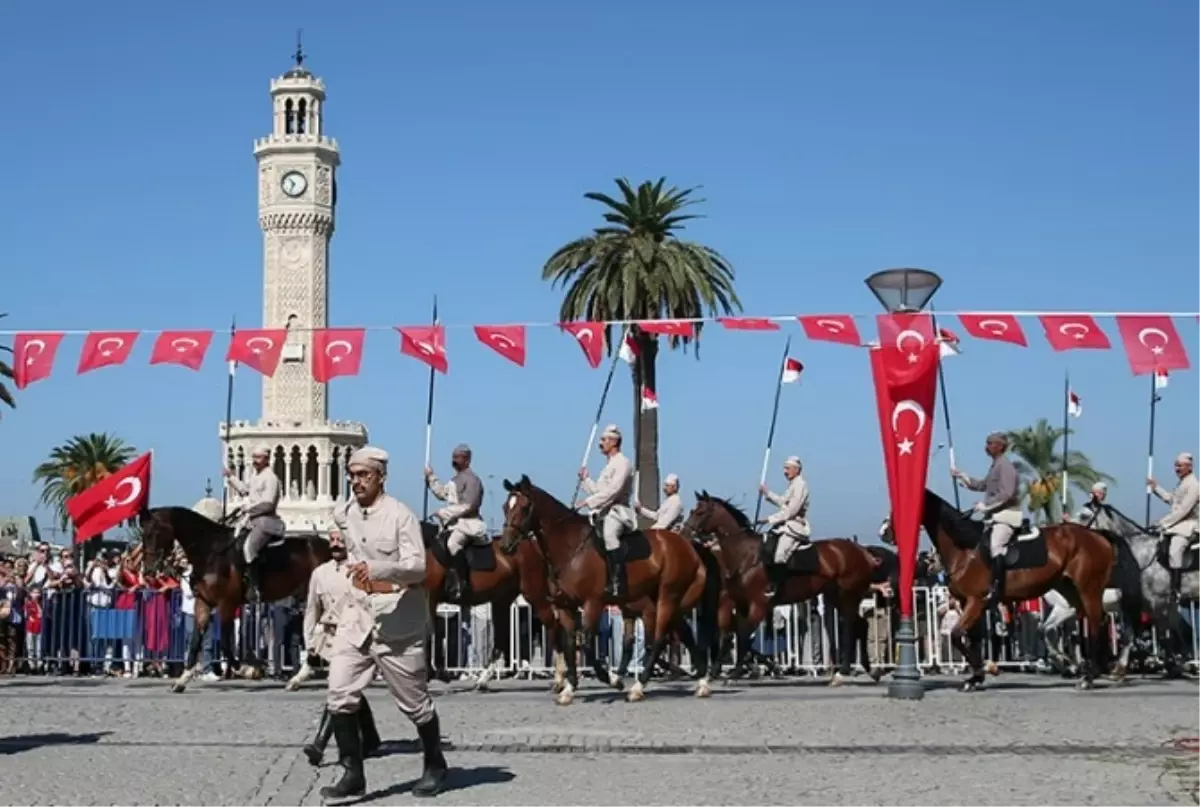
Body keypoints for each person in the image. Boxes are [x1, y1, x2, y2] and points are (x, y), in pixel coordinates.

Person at [322, 446, 448, 803]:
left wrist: (377, 569)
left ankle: (435, 763)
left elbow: (418, 567)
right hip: (358, 613)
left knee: (415, 704)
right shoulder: (345, 512)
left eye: (363, 474)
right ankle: (352, 773)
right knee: (339, 692)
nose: (356, 480)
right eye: (352, 474)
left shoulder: (400, 516)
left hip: (397, 617)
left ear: (381, 477)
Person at [298, 529, 381, 767]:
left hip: (356, 636)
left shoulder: (361, 568)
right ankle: (372, 737)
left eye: (340, 540)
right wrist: (310, 643)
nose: (335, 545)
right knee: (348, 688)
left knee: (339, 688)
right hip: (331, 637)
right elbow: (312, 609)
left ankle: (319, 743)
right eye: (332, 540)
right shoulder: (320, 573)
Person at [952, 431, 1022, 605]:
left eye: (990, 443)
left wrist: (986, 506)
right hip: (994, 516)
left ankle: (997, 586)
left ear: (1000, 446)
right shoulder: (995, 466)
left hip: (1006, 515)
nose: (987, 446)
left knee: (996, 545)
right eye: (987, 443)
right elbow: (983, 485)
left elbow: (1007, 493)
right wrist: (963, 476)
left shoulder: (1005, 465)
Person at [578, 424, 636, 598]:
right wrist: (586, 479)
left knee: (610, 534)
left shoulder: (623, 463)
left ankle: (617, 581)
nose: (601, 443)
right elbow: (599, 491)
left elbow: (613, 492)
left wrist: (588, 502)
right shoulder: (608, 466)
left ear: (614, 441)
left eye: (604, 440)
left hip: (618, 511)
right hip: (602, 511)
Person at [425, 443, 487, 601]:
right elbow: (442, 494)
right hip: (452, 523)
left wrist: (444, 512)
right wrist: (431, 477)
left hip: (468, 524)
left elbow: (469, 505)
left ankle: (462, 583)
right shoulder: (455, 480)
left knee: (453, 544)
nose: (454, 460)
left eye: (457, 457)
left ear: (467, 460)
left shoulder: (473, 480)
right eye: (453, 457)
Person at [223, 444, 283, 601]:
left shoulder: (271, 478)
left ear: (267, 459)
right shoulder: (255, 476)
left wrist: (249, 509)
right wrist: (231, 477)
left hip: (266, 521)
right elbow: (245, 490)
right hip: (251, 520)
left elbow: (268, 503)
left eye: (258, 458)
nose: (255, 461)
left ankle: (254, 586)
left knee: (249, 547)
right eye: (254, 457)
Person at [756, 456, 811, 598]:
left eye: (787, 468)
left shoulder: (801, 485)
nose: (785, 472)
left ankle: (777, 587)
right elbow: (783, 502)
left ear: (796, 470)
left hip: (795, 526)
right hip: (785, 524)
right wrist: (767, 492)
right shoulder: (792, 485)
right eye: (784, 469)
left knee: (779, 555)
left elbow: (791, 510)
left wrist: (770, 519)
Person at [1149, 452, 1200, 600]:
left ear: (1189, 467)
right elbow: (1172, 500)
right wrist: (1156, 488)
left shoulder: (1194, 485)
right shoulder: (1182, 484)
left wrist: (1162, 523)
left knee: (1175, 549)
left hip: (1189, 525)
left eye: (1180, 466)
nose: (1176, 469)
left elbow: (1184, 510)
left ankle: (1175, 589)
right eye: (1176, 465)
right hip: (1178, 524)